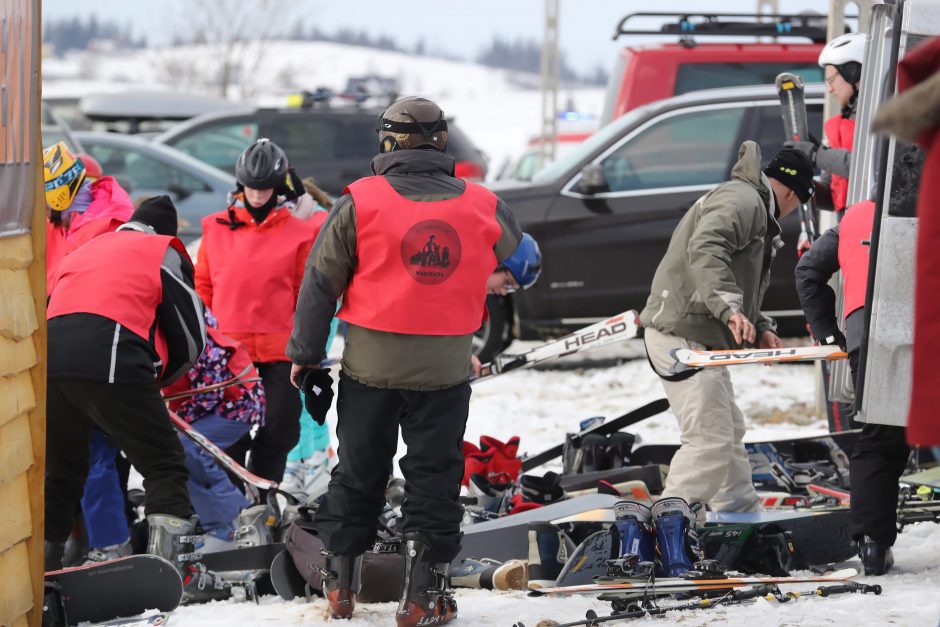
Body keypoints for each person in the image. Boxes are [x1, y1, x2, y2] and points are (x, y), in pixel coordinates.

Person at [287, 96, 522, 625]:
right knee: (434, 478)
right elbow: (522, 254)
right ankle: (423, 596)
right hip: (445, 369)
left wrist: (304, 356)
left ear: (386, 142)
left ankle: (340, 586)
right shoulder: (482, 202)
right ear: (441, 141)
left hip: (370, 367)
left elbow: (319, 286)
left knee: (357, 473)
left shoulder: (357, 202)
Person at [639, 143, 815, 574]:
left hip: (694, 335)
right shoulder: (744, 201)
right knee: (710, 437)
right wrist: (730, 309)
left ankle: (738, 510)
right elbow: (707, 248)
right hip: (681, 337)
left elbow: (737, 276)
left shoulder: (751, 202)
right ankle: (667, 532)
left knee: (727, 428)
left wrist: (763, 324)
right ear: (794, 194)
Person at [44, 196, 230, 603]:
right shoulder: (161, 251)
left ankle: (40, 568)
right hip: (112, 358)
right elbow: (190, 331)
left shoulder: (88, 247)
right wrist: (160, 380)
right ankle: (172, 572)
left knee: (62, 474)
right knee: (163, 463)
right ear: (167, 233)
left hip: (51, 365)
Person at [796, 142, 925, 575]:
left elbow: (808, 271)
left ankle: (871, 544)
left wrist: (829, 331)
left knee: (879, 441)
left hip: (871, 336)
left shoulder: (855, 218)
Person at [195, 139, 318, 491]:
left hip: (280, 349)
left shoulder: (299, 233)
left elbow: (304, 294)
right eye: (251, 187)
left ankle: (264, 491)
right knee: (229, 432)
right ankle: (235, 497)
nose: (258, 195)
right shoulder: (215, 227)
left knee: (282, 427)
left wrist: (307, 344)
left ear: (277, 187)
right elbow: (203, 285)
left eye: (265, 188)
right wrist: (204, 338)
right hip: (229, 352)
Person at [44, 141, 137, 564]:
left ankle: (110, 544)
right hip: (56, 351)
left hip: (98, 350)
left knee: (94, 453)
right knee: (71, 456)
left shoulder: (106, 225)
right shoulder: (58, 224)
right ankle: (81, 538)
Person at [163, 307, 265, 551]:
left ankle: (232, 521)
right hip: (215, 408)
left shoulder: (201, 345)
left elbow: (209, 395)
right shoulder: (174, 340)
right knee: (180, 448)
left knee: (190, 447)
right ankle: (215, 519)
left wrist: (177, 418)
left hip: (238, 408)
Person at [281, 177, 340, 500]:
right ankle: (300, 457)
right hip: (298, 316)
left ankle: (314, 457)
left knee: (307, 387)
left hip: (314, 316)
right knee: (298, 391)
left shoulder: (316, 222)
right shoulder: (304, 218)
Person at [787, 33, 866, 213]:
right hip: (847, 224)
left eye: (831, 80)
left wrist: (817, 156)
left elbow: (867, 167)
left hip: (870, 226)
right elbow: (833, 197)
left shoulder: (881, 119)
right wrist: (800, 184)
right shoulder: (839, 126)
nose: (829, 89)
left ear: (853, 73)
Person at [43, 141, 134, 286]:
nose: (43, 210)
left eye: (44, 202)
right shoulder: (62, 225)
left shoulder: (108, 229)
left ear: (58, 197)